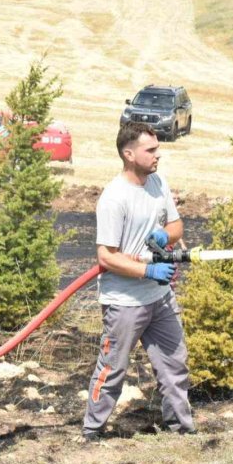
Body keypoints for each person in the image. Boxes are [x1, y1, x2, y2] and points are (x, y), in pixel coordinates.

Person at [82, 121, 195, 441]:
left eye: (157, 149)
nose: (158, 155)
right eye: (151, 150)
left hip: (159, 297)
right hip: (125, 302)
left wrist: (164, 235)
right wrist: (148, 271)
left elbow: (176, 226)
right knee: (113, 368)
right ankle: (92, 429)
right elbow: (106, 257)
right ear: (129, 154)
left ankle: (181, 429)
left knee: (174, 363)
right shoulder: (114, 198)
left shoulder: (158, 182)